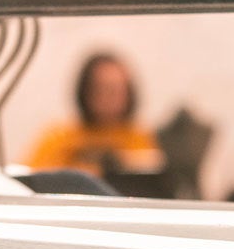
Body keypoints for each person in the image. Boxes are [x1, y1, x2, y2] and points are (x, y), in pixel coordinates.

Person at [25, 52, 160, 177]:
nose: (111, 98)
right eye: (103, 89)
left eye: (118, 90)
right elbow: (33, 177)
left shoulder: (141, 139)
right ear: (86, 91)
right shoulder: (59, 137)